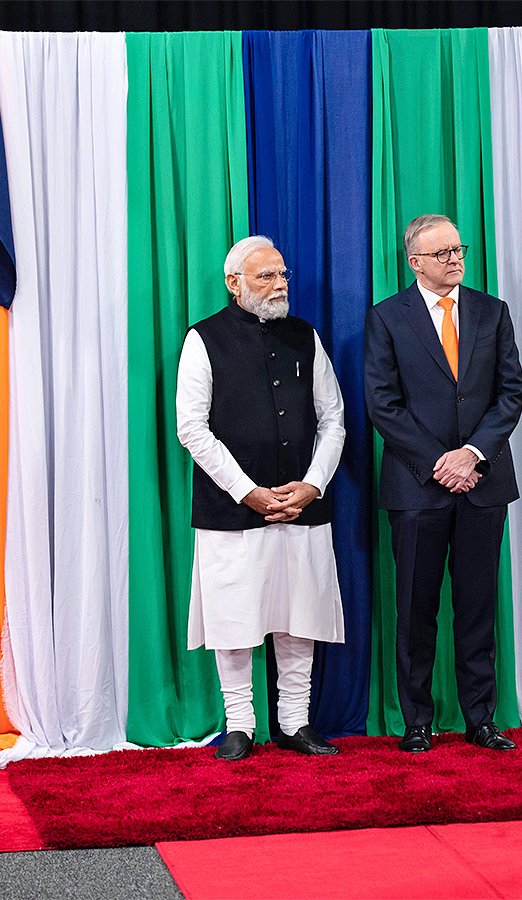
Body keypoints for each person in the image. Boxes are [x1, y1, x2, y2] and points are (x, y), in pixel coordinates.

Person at [177, 235, 346, 762]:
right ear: (235, 283)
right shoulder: (203, 338)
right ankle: (239, 724)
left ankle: (295, 722)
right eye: (266, 277)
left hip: (302, 503)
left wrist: (313, 484)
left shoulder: (305, 335)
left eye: (282, 275)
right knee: (233, 616)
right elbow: (191, 428)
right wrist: (247, 492)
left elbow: (333, 418)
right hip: (232, 509)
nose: (279, 286)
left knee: (300, 615)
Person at [363, 214, 522, 753]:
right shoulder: (386, 318)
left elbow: (511, 394)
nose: (456, 259)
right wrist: (441, 462)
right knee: (416, 608)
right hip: (417, 488)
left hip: (483, 483)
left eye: (459, 249)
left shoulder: (492, 312)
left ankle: (481, 719)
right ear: (416, 263)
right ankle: (416, 722)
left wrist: (472, 455)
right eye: (443, 253)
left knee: (477, 606)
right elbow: (383, 404)